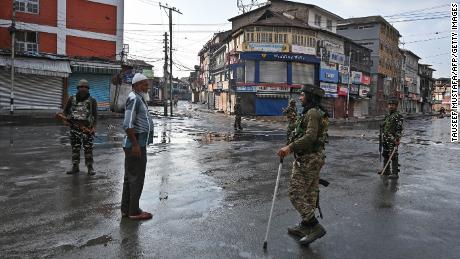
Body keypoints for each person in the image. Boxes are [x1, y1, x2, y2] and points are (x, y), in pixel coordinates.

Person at [277, 84, 329, 246]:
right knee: (309, 194)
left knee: (295, 193)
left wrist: (289, 148)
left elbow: (310, 137)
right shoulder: (312, 112)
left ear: (310, 97)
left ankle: (314, 226)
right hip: (313, 157)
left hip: (308, 159)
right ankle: (306, 226)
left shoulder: (313, 113)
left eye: (302, 95)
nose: (300, 98)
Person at [121, 73, 154, 220]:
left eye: (147, 84)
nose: (147, 87)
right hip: (135, 144)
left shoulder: (139, 98)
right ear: (135, 86)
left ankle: (127, 208)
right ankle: (134, 212)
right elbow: (128, 124)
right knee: (136, 179)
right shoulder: (134, 99)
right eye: (144, 84)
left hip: (137, 143)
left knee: (130, 178)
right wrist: (135, 144)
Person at [63, 79, 97, 175]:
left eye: (85, 87)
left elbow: (95, 115)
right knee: (75, 148)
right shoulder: (71, 99)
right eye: (81, 87)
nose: (83, 89)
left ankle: (90, 167)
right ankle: (75, 167)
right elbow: (65, 111)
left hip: (87, 129)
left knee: (88, 149)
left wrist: (94, 127)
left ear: (88, 89)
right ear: (78, 88)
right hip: (74, 128)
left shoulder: (92, 100)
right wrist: (65, 119)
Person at [380, 97, 403, 179]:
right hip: (386, 138)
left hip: (393, 138)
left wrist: (397, 139)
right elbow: (385, 125)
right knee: (385, 154)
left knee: (393, 155)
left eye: (393, 105)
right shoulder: (388, 115)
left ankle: (395, 173)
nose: (391, 106)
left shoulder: (398, 116)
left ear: (396, 106)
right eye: (389, 105)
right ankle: (386, 170)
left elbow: (399, 128)